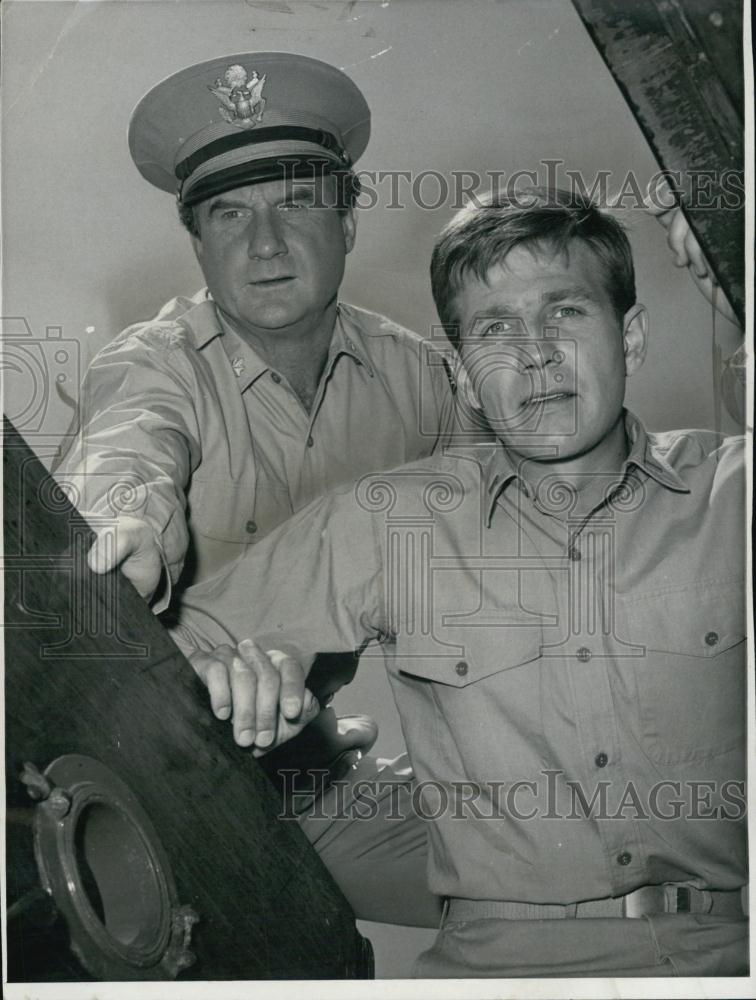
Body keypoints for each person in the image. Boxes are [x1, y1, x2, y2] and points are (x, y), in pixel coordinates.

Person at [173, 187, 747, 977]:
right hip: (494, 966)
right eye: (495, 329)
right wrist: (227, 682)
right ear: (470, 378)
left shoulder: (732, 495)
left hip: (727, 954)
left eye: (567, 312)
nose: (535, 353)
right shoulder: (390, 520)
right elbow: (158, 665)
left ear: (632, 336)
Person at [54, 51, 462, 927]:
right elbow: (125, 460)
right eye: (230, 214)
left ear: (348, 221)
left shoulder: (424, 382)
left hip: (306, 786)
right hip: (131, 794)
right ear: (196, 241)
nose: (265, 245)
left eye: (297, 204)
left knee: (572, 875)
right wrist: (120, 527)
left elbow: (526, 538)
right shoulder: (153, 366)